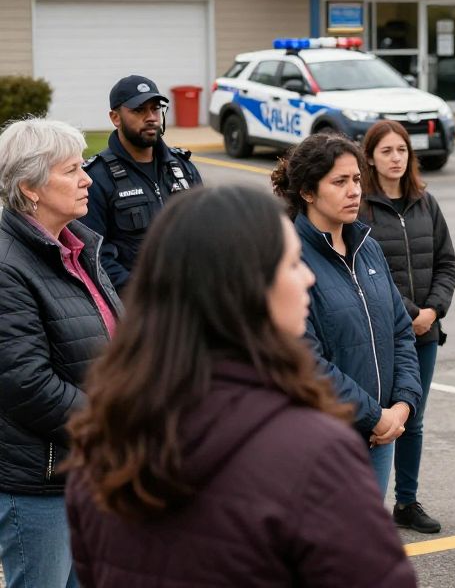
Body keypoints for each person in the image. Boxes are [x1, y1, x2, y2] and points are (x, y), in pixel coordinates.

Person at [64, 186, 416, 587]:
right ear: (245, 288)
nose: (308, 276)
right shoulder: (311, 453)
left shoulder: (104, 438)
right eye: (290, 264)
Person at [0, 118, 118, 588]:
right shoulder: (9, 266)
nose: (88, 178)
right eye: (72, 170)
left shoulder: (78, 248)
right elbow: (24, 383)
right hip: (41, 484)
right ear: (30, 186)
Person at [272, 132, 421, 498]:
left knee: (365, 545)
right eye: (339, 182)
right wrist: (374, 415)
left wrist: (401, 406)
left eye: (356, 179)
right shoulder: (289, 256)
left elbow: (401, 332)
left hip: (381, 436)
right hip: (324, 441)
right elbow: (304, 360)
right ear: (308, 191)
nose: (354, 190)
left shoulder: (368, 248)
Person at [360, 120, 455, 534]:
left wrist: (432, 311)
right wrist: (409, 314)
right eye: (386, 151)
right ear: (370, 158)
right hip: (384, 333)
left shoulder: (425, 202)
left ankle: (407, 502)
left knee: (412, 419)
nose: (396, 158)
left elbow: (448, 262)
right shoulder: (361, 208)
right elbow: (365, 272)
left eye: (402, 151)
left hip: (427, 332)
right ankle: (363, 504)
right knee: (376, 418)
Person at [80, 74, 201, 292]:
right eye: (139, 110)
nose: (151, 117)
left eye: (155, 109)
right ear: (115, 117)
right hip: (137, 308)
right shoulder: (96, 178)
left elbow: (208, 232)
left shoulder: (183, 168)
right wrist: (147, 295)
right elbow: (95, 256)